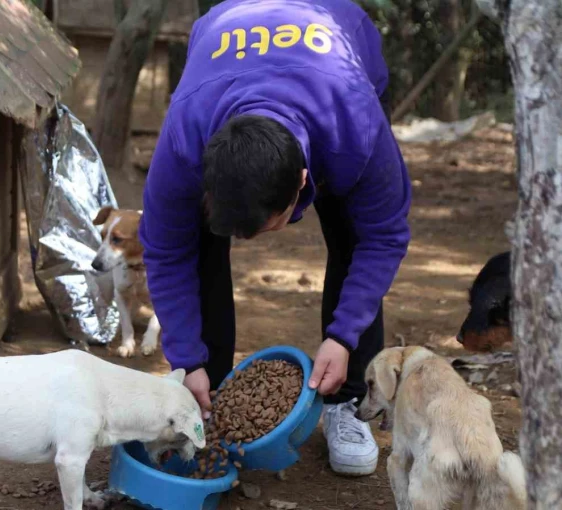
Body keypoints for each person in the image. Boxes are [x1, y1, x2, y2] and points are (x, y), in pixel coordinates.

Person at [140, 0, 411, 476]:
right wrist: (186, 358)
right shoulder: (184, 140)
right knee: (197, 243)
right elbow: (165, 251)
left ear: (305, 182)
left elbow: (385, 235)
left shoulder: (357, 127)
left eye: (268, 225)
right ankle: (208, 395)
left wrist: (344, 336)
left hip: (338, 57)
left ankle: (347, 404)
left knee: (354, 233)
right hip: (223, 54)